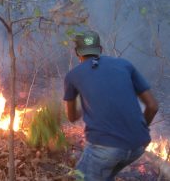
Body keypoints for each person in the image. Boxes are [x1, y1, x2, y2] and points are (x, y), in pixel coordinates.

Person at [63, 30, 158, 180]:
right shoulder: (125, 65)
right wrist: (140, 129)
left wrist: (87, 106)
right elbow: (153, 106)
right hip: (139, 145)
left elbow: (72, 117)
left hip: (105, 149)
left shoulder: (73, 75)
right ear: (100, 50)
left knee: (81, 177)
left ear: (77, 52)